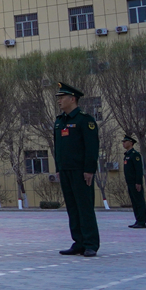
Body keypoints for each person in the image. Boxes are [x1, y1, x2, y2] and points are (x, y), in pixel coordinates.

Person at [53, 82, 100, 257]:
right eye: (58, 97)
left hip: (81, 171)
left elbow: (91, 147)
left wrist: (89, 169)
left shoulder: (84, 120)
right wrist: (58, 168)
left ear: (72, 99)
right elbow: (58, 148)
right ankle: (78, 242)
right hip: (65, 170)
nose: (59, 100)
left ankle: (90, 243)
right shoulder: (60, 121)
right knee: (72, 208)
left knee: (84, 207)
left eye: (62, 97)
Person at [123, 135, 146, 229]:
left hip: (135, 183)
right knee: (134, 202)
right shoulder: (127, 155)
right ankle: (138, 220)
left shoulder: (134, 154)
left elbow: (138, 169)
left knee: (139, 202)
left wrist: (138, 182)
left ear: (131, 143)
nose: (123, 143)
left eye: (125, 141)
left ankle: (142, 222)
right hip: (130, 183)